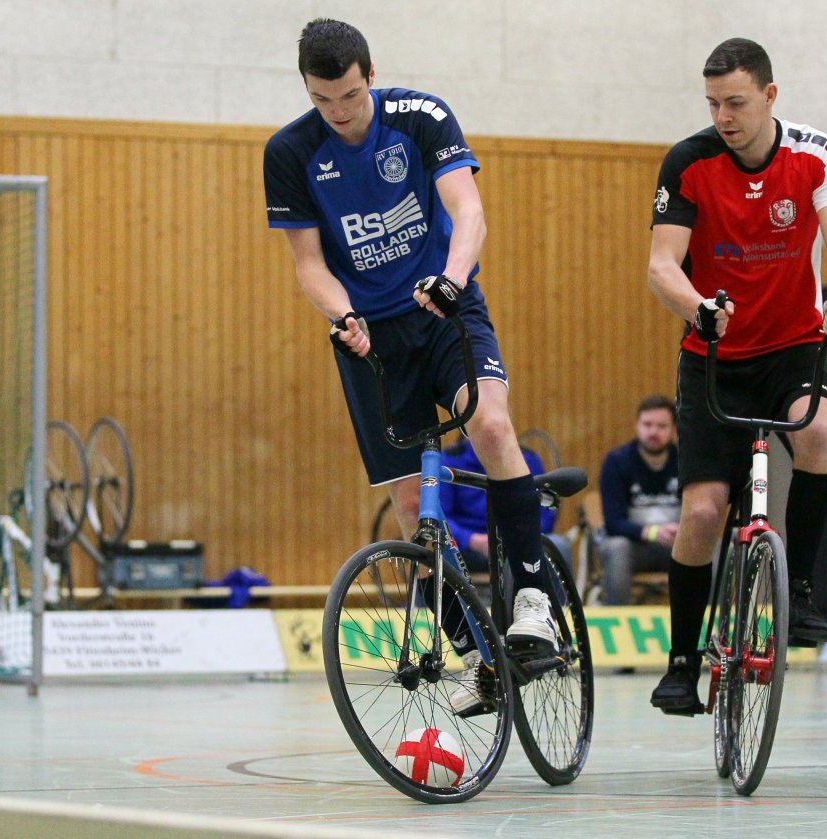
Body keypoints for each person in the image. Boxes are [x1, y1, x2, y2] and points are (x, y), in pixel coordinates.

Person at [263, 19, 558, 716]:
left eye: (350, 96)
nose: (339, 113)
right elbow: (310, 264)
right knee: (406, 504)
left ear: (370, 73)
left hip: (441, 310)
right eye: (323, 99)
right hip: (370, 338)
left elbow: (469, 208)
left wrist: (453, 277)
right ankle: (478, 657)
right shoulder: (290, 152)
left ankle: (532, 596)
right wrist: (342, 316)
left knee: (490, 425)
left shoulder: (421, 117)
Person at [646, 38, 827, 715]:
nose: (723, 116)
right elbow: (662, 265)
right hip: (714, 354)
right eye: (713, 104)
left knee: (821, 430)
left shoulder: (814, 153)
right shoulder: (689, 161)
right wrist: (700, 310)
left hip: (794, 346)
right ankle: (683, 661)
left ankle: (797, 592)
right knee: (704, 511)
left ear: (770, 96)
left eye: (736, 102)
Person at [598, 395, 680, 606]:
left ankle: (712, 624)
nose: (653, 432)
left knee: (713, 547)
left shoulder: (687, 462)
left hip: (678, 546)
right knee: (617, 547)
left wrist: (682, 532)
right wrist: (653, 532)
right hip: (635, 547)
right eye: (647, 424)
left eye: (662, 426)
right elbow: (613, 523)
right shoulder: (616, 462)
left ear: (674, 430)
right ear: (637, 426)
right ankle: (616, 621)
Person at [440, 437, 558, 576]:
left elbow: (545, 512)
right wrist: (471, 540)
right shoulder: (448, 460)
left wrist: (519, 537)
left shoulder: (528, 458)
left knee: (559, 545)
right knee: (440, 553)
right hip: (469, 547)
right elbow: (441, 516)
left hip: (519, 539)